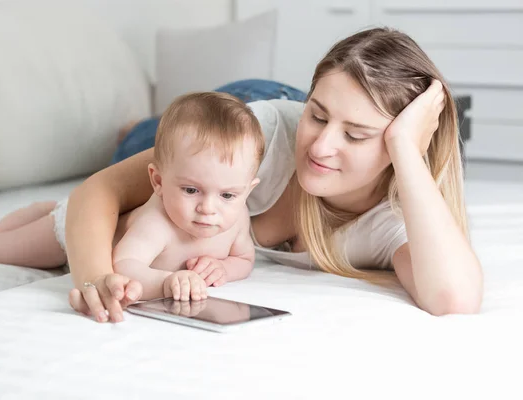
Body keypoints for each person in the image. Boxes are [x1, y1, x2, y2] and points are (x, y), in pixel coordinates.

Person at [64, 27, 483, 321]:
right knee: (135, 144)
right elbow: (101, 190)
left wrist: (408, 149)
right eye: (317, 116)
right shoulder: (254, 139)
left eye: (357, 136)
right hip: (247, 105)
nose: (320, 148)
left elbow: (453, 298)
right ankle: (137, 127)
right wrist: (98, 280)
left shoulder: (394, 217)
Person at [0, 92, 265, 322]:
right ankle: (43, 211)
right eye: (191, 190)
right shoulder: (158, 222)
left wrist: (223, 269)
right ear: (157, 181)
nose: (208, 208)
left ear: (247, 191)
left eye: (227, 195)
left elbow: (243, 259)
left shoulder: (237, 217)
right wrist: (167, 282)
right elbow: (124, 265)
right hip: (80, 231)